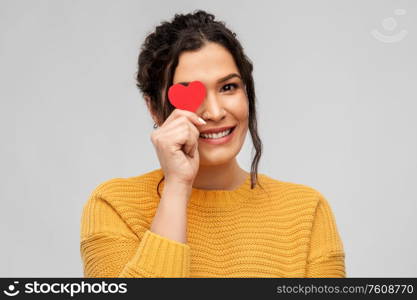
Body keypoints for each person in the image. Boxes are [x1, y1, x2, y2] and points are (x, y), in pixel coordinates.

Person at [80, 10, 346, 278]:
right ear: (153, 108)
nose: (215, 112)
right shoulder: (114, 206)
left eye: (228, 87)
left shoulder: (307, 210)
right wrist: (177, 186)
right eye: (191, 93)